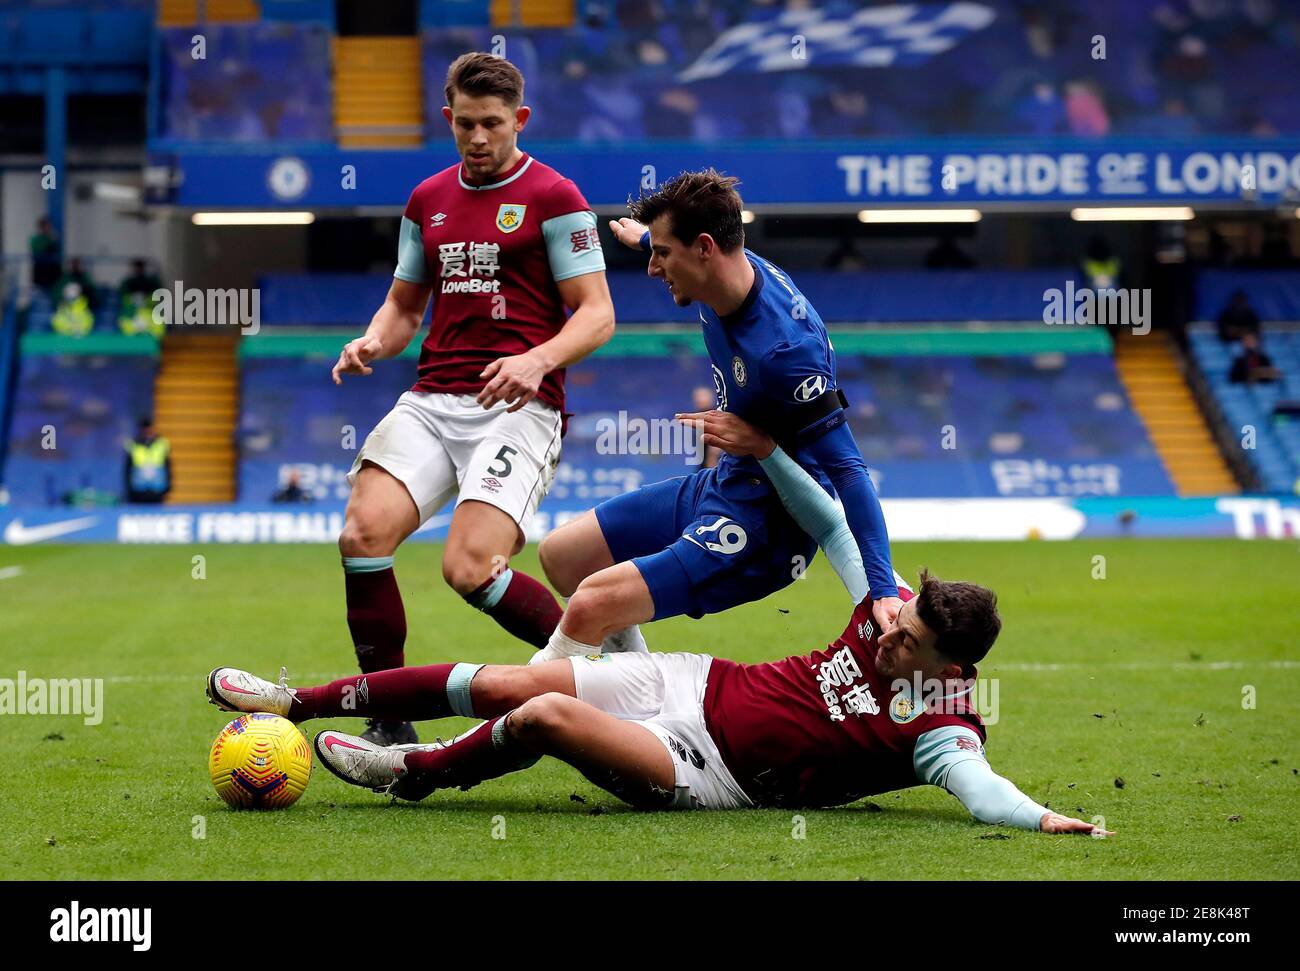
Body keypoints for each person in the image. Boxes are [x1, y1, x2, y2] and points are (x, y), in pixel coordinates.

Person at [206, 410, 1111, 836]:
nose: (886, 636)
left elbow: (982, 792)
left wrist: (1042, 818)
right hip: (695, 681)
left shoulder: (942, 727)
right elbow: (836, 521)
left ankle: (412, 774)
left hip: (705, 770)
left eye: (908, 643)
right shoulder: (882, 610)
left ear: (951, 669)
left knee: (546, 716)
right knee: (506, 680)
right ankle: (299, 699)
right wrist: (767, 451)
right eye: (898, 619)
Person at [328, 53, 615, 746]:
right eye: (465, 124)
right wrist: (371, 341)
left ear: (520, 120)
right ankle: (389, 717)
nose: (479, 137)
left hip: (521, 406)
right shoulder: (427, 200)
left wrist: (537, 359)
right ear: (447, 118)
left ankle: (594, 677)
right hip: (433, 399)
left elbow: (598, 313)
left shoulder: (555, 197)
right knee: (361, 536)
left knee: (468, 567)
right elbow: (403, 306)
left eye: (493, 124)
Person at [531, 169, 901, 670]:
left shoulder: (787, 351)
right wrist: (644, 237)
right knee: (563, 557)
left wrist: (881, 589)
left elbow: (849, 472)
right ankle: (641, 700)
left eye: (662, 255)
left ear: (704, 248)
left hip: (768, 526)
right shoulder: (725, 269)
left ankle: (517, 717)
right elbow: (685, 247)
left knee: (592, 602)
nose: (652, 268)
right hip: (724, 482)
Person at [124, 418, 171, 504]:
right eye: (145, 430)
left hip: (158, 488)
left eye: (149, 429)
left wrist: (168, 486)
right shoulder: (133, 445)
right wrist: (129, 488)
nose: (148, 432)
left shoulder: (161, 444)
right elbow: (128, 469)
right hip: (138, 489)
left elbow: (167, 466)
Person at [50, 258, 98, 337]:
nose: (75, 266)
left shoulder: (85, 279)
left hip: (81, 338)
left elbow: (94, 297)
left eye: (77, 264)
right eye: (73, 264)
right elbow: (57, 322)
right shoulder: (64, 279)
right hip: (64, 339)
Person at [117, 259, 164, 337]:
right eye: (136, 268)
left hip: (150, 342)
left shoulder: (151, 282)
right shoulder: (128, 282)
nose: (138, 270)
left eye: (140, 268)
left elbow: (158, 335)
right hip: (132, 316)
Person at [30, 217, 62, 294]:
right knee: (40, 292)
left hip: (53, 271)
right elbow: (38, 250)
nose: (47, 228)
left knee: (54, 291)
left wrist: (53, 240)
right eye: (45, 226)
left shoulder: (53, 238)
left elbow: (57, 250)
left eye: (48, 226)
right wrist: (50, 241)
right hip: (41, 270)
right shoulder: (36, 239)